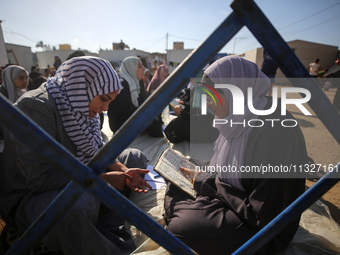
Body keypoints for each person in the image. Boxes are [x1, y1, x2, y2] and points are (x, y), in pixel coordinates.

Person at [0, 56, 152, 254]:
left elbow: (97, 147)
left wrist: (122, 170)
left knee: (134, 156)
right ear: (82, 87)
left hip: (80, 174)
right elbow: (39, 179)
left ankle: (102, 225)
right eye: (104, 99)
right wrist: (102, 180)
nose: (105, 109)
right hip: (34, 195)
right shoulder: (35, 107)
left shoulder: (81, 103)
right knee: (74, 208)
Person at [164, 56, 308, 254]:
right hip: (236, 198)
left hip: (261, 230)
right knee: (183, 165)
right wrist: (203, 175)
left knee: (180, 230)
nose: (206, 104)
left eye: (211, 95)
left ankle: (186, 205)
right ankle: (190, 204)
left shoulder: (275, 132)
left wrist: (206, 182)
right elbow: (228, 167)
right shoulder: (240, 117)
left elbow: (262, 214)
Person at [108, 56, 163, 137]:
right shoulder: (123, 85)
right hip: (120, 127)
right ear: (131, 69)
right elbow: (131, 111)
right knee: (155, 127)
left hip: (130, 119)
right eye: (140, 66)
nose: (144, 69)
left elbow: (141, 104)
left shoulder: (135, 84)